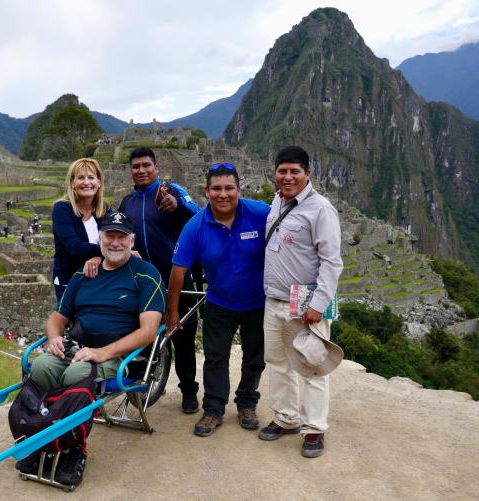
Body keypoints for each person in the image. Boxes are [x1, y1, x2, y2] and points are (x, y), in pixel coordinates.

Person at [27, 210, 165, 486]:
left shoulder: (146, 275)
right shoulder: (84, 273)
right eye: (109, 236)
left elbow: (149, 331)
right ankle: (40, 442)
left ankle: (73, 450)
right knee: (40, 367)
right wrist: (54, 337)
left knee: (77, 374)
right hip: (76, 347)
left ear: (132, 241)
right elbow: (56, 319)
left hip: (117, 355)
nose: (115, 243)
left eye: (121, 237)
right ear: (100, 239)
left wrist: (102, 353)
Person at [168, 163, 270, 436]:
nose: (222, 194)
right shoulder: (196, 226)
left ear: (239, 190)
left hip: (258, 303)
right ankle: (213, 409)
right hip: (219, 302)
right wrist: (173, 312)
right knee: (215, 358)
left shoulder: (260, 214)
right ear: (207, 191)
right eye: (216, 189)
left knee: (255, 357)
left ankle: (247, 403)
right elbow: (178, 271)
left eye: (229, 188)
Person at [258, 146, 343, 458]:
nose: (288, 176)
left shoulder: (321, 210)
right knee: (279, 364)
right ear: (275, 174)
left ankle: (314, 429)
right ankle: (286, 418)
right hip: (275, 301)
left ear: (308, 173)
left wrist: (319, 304)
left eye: (295, 171)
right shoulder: (277, 201)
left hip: (307, 306)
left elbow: (332, 262)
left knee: (314, 368)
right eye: (283, 171)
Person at [118, 147, 202, 413]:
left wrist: (176, 207)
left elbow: (198, 217)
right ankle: (141, 386)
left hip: (176, 277)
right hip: (142, 282)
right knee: (143, 335)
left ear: (155, 168)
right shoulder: (127, 203)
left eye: (146, 165)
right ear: (130, 171)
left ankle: (189, 391)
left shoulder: (171, 192)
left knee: (183, 337)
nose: (141, 170)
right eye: (136, 166)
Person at [51, 158, 109, 301]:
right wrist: (107, 252)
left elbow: (115, 239)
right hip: (70, 280)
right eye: (80, 178)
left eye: (91, 177)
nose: (86, 182)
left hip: (100, 279)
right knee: (75, 322)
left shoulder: (104, 209)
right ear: (72, 183)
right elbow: (74, 247)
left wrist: (99, 257)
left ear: (99, 182)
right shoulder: (62, 209)